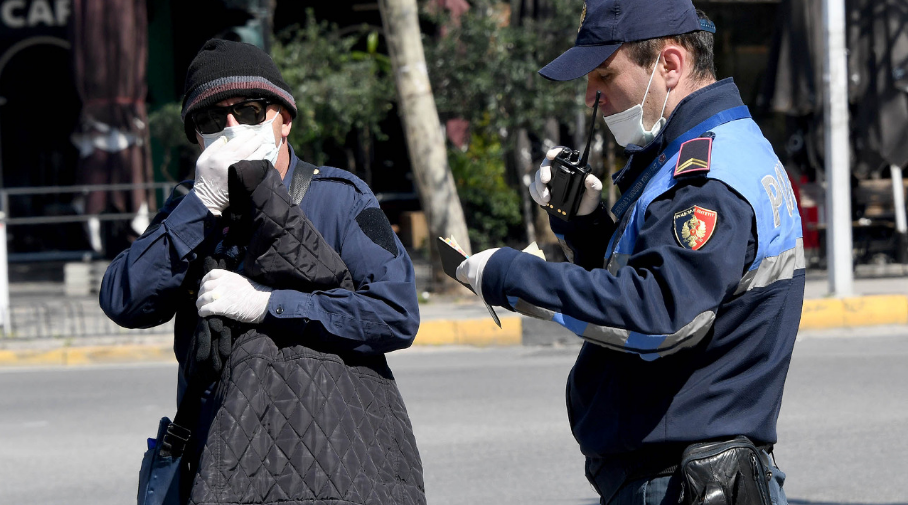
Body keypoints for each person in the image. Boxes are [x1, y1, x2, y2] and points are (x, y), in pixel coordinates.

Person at [456, 1, 804, 504]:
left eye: (604, 76)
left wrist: (515, 275)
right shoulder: (702, 149)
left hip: (682, 481)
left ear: (669, 65)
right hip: (679, 472)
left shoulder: (706, 178)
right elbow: (663, 279)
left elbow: (659, 313)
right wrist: (588, 224)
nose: (592, 98)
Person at [100, 39, 425, 504]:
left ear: (284, 120)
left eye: (249, 111)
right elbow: (123, 301)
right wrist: (202, 205)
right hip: (224, 456)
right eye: (212, 120)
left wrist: (268, 305)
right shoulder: (189, 208)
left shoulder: (340, 198)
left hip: (335, 457)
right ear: (197, 137)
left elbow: (394, 314)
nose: (231, 128)